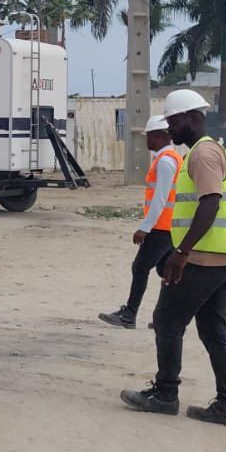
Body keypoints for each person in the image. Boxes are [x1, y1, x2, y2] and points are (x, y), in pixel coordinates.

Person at [121, 89, 226, 429]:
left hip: (205, 258)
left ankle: (165, 394)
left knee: (166, 320)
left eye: (173, 121)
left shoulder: (202, 154)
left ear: (192, 118)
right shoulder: (213, 150)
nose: (169, 128)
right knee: (212, 329)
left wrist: (181, 252)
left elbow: (211, 202)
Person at [98, 115, 181, 329]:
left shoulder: (165, 162)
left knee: (141, 267)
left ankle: (130, 314)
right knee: (165, 271)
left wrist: (144, 228)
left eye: (149, 136)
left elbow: (160, 199)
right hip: (169, 226)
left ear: (159, 136)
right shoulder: (171, 158)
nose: (146, 141)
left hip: (161, 227)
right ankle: (166, 317)